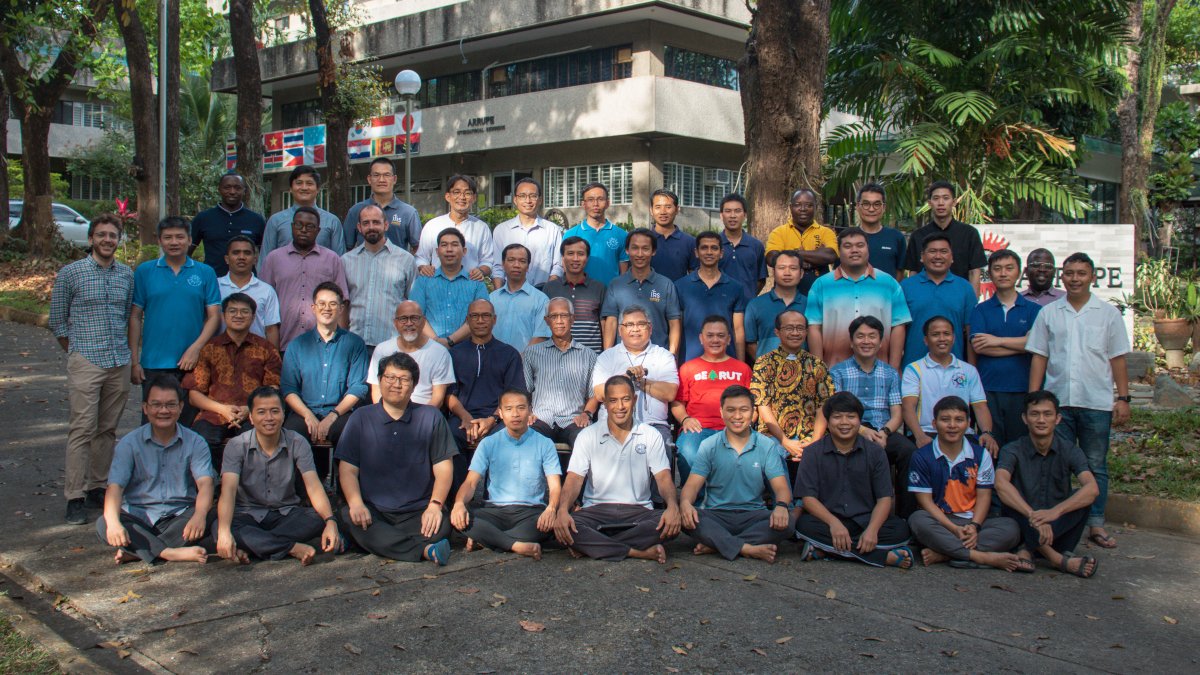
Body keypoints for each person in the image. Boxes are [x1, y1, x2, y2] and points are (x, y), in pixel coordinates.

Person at [1026, 252, 1130, 549]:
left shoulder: (1107, 314)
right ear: (1063, 276)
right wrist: (1034, 399)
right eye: (1069, 273)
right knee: (1056, 464)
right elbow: (1039, 357)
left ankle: (1096, 524)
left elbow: (1118, 358)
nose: (1074, 278)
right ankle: (1058, 521)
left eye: (1081, 273)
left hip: (1095, 402)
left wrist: (1122, 398)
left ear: (1092, 276)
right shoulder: (1050, 313)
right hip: (1058, 404)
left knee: (1096, 464)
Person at [51, 214, 135, 524]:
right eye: (101, 234)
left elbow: (128, 315)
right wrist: (75, 352)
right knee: (82, 429)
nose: (107, 240)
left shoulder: (126, 275)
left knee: (107, 429)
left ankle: (99, 487)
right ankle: (75, 494)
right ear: (91, 239)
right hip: (86, 358)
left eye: (113, 235)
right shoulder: (71, 274)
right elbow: (57, 320)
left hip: (118, 361)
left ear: (118, 240)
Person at [336, 353, 457, 565]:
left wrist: (435, 506)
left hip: (417, 511)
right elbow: (347, 469)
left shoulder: (430, 416)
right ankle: (425, 551)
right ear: (380, 380)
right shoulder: (361, 417)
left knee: (442, 524)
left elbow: (444, 468)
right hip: (374, 511)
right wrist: (356, 503)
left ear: (414, 385)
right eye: (390, 377)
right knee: (349, 515)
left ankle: (381, 543)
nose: (396, 384)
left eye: (404, 379)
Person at [553, 375, 681, 562]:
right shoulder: (588, 435)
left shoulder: (651, 435)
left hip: (639, 510)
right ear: (604, 403)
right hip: (596, 510)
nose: (620, 406)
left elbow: (663, 478)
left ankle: (594, 546)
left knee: (669, 523)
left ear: (634, 400)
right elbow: (573, 480)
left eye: (625, 399)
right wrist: (563, 510)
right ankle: (636, 551)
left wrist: (672, 507)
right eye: (613, 400)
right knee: (570, 524)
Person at [215, 386, 340, 565]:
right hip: (248, 515)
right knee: (219, 527)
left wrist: (330, 521)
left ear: (283, 414)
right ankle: (291, 548)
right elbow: (228, 491)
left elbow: (313, 486)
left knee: (316, 519)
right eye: (261, 412)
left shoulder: (297, 442)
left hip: (286, 514)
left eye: (275, 411)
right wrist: (224, 532)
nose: (269, 418)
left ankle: (255, 546)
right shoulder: (236, 445)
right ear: (251, 417)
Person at [97, 375, 214, 564]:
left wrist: (199, 516)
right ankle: (169, 553)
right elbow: (115, 488)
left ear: (181, 407)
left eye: (170, 405)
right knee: (104, 523)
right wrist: (113, 524)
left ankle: (138, 551)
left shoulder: (195, 441)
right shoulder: (129, 444)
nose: (163, 411)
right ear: (145, 408)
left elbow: (206, 484)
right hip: (140, 518)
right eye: (156, 405)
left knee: (213, 515)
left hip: (180, 517)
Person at [793, 392, 914, 568]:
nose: (844, 423)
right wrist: (834, 524)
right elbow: (808, 499)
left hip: (866, 520)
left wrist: (872, 530)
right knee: (803, 525)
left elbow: (884, 498)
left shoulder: (875, 452)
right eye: (837, 417)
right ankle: (881, 557)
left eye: (851, 417)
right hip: (828, 521)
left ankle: (827, 551)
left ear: (859, 421)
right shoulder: (813, 452)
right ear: (827, 421)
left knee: (901, 530)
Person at [679, 385, 793, 562]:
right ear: (722, 412)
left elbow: (781, 488)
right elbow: (692, 486)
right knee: (685, 517)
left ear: (753, 412)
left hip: (753, 514)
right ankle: (748, 548)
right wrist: (685, 503)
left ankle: (718, 544)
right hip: (717, 514)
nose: (737, 416)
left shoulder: (765, 445)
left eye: (744, 410)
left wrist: (781, 506)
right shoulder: (709, 445)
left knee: (788, 522)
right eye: (731, 410)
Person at [907, 396, 1022, 571]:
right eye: (945, 420)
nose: (952, 425)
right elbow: (925, 502)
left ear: (968, 423)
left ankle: (945, 553)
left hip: (972, 521)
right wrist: (953, 528)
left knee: (1011, 528)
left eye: (959, 420)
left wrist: (975, 526)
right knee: (917, 520)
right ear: (934, 423)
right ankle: (981, 557)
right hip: (941, 521)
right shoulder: (922, 456)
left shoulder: (980, 454)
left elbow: (984, 495)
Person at [994, 391, 1100, 577]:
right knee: (1011, 503)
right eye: (1034, 414)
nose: (1041, 420)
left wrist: (1053, 513)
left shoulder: (1069, 449)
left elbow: (1092, 488)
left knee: (1083, 497)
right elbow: (1001, 483)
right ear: (1025, 419)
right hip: (1023, 521)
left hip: (1056, 526)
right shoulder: (1012, 449)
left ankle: (1027, 550)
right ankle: (1058, 559)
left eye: (1047, 414)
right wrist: (1033, 516)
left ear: (1057, 419)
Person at [450, 388, 562, 559]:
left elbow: (554, 486)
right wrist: (459, 504)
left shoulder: (544, 443)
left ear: (530, 411)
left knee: (547, 523)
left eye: (521, 408)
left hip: (530, 511)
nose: (515, 414)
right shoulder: (488, 443)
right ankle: (516, 545)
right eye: (509, 409)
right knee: (459, 518)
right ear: (500, 413)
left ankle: (487, 539)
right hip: (494, 510)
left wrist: (551, 508)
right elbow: (471, 483)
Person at [130, 216, 221, 420]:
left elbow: (214, 316)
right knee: (155, 422)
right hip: (154, 362)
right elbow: (135, 317)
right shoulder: (145, 272)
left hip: (192, 362)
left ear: (190, 240)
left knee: (189, 422)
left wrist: (196, 348)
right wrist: (135, 361)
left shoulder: (205, 272)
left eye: (179, 237)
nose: (174, 242)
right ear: (160, 241)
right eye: (168, 237)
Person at [280, 283, 368, 481]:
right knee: (292, 435)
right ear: (313, 308)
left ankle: (345, 496)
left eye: (332, 304)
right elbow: (289, 388)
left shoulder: (355, 344)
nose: (326, 309)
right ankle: (302, 495)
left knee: (349, 434)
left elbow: (358, 387)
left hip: (340, 412)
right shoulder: (297, 345)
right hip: (304, 411)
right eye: (321, 304)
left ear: (341, 308)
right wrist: (307, 414)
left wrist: (333, 416)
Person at [829, 316, 916, 516]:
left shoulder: (890, 373)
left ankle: (906, 518)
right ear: (851, 342)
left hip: (884, 430)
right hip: (851, 430)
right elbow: (836, 411)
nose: (866, 341)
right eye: (860, 336)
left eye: (872, 336)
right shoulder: (838, 372)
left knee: (909, 452)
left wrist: (885, 432)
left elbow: (897, 413)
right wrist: (862, 430)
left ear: (880, 341)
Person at [184, 293, 282, 469]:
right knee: (201, 441)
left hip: (254, 414)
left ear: (253, 317)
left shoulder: (266, 349)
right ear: (224, 315)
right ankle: (211, 487)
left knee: (253, 443)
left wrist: (250, 409)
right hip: (214, 413)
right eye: (233, 311)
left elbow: (273, 387)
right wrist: (223, 409)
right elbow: (194, 394)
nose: (238, 315)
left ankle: (245, 491)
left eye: (244, 312)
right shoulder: (209, 348)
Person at [805, 227, 910, 370]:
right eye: (847, 246)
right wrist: (819, 370)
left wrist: (894, 367)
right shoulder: (821, 285)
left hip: (880, 372)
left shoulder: (889, 283)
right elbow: (813, 327)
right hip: (833, 371)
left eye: (860, 245)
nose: (854, 250)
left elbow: (898, 325)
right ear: (839, 251)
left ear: (868, 249)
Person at [446, 300, 527, 481]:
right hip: (462, 416)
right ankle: (457, 500)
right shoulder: (455, 354)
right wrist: (466, 417)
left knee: (504, 436)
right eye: (475, 316)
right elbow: (449, 395)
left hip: (497, 418)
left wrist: (492, 419)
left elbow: (514, 396)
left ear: (494, 319)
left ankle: (494, 500)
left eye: (485, 316)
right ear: (468, 320)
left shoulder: (509, 354)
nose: (480, 320)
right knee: (449, 434)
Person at [969, 249, 1042, 446]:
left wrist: (997, 341)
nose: (1003, 273)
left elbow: (1037, 346)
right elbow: (979, 346)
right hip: (988, 389)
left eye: (1009, 268)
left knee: (1021, 448)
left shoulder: (1035, 310)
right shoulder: (980, 310)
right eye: (997, 269)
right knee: (991, 446)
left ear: (1019, 272)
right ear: (990, 273)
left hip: (1022, 388)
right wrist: (1022, 344)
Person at [671, 316, 752, 484]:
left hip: (734, 428)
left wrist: (743, 424)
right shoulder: (688, 368)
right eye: (710, 335)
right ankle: (696, 502)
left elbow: (753, 406)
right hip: (698, 429)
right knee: (688, 452)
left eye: (721, 335)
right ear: (701, 338)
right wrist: (685, 419)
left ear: (729, 339)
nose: (715, 340)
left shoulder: (742, 369)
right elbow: (677, 403)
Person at [901, 316, 999, 456]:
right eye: (935, 335)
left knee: (988, 449)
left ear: (953, 338)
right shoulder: (914, 369)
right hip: (928, 432)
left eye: (946, 334)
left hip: (962, 433)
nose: (942, 339)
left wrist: (987, 433)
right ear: (926, 340)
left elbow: (980, 406)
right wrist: (919, 436)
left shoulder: (968, 370)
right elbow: (908, 407)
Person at [749, 311, 834, 467]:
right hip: (774, 436)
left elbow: (825, 405)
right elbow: (762, 405)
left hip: (810, 435)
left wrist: (814, 442)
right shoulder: (764, 363)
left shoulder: (817, 365)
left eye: (800, 328)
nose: (795, 333)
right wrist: (785, 441)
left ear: (806, 332)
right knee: (772, 453)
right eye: (789, 328)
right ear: (777, 332)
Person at [260, 206, 349, 351]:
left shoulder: (332, 259)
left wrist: (340, 344)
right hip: (283, 342)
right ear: (292, 227)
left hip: (323, 345)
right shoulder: (273, 259)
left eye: (310, 226)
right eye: (299, 225)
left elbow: (342, 301)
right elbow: (264, 301)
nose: (303, 229)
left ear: (318, 231)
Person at [592, 305, 680, 452]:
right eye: (629, 325)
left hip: (654, 425)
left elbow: (670, 393)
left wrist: (640, 381)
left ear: (650, 329)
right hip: (611, 424)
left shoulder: (664, 356)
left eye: (641, 324)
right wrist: (627, 379)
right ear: (620, 330)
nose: (635, 329)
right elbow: (600, 394)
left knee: (662, 453)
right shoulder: (607, 357)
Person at [523, 298, 599, 452]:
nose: (559, 321)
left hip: (573, 420)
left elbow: (593, 395)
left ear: (573, 319)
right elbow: (525, 390)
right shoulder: (532, 353)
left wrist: (586, 414)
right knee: (526, 440)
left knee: (586, 441)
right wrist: (527, 412)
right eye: (554, 316)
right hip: (540, 419)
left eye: (564, 316)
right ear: (546, 321)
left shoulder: (589, 355)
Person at [342, 204, 416, 350]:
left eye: (376, 222)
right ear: (359, 227)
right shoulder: (346, 261)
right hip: (355, 344)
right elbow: (342, 306)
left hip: (393, 343)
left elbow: (413, 304)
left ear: (386, 225)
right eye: (366, 223)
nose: (371, 227)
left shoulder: (406, 260)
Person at [601, 227, 683, 356]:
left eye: (645, 248)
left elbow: (674, 324)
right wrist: (607, 356)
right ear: (627, 250)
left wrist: (671, 356)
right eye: (635, 248)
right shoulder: (616, 284)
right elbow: (611, 323)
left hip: (658, 359)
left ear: (653, 251)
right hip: (623, 359)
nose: (639, 254)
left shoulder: (666, 284)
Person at [899, 233, 976, 368]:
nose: (938, 256)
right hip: (913, 369)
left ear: (951, 257)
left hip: (954, 370)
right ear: (922, 257)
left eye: (944, 251)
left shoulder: (965, 288)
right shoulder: (905, 287)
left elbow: (971, 332)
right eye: (932, 251)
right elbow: (898, 331)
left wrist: (972, 368)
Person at [408, 228, 489, 347]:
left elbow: (480, 318)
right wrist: (436, 341)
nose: (449, 249)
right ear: (437, 251)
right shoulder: (424, 281)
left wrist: (450, 340)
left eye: (455, 245)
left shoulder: (476, 282)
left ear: (464, 251)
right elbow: (415, 315)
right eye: (444, 245)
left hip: (467, 349)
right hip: (428, 348)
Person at [902, 181, 986, 294]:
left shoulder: (969, 233)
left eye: (946, 198)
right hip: (926, 297)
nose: (941, 203)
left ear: (954, 202)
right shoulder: (918, 235)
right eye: (936, 198)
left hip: (959, 297)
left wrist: (972, 304)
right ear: (929, 203)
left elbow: (974, 272)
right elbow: (913, 272)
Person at [674, 231, 747, 362]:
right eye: (704, 248)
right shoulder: (680, 286)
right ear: (696, 253)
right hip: (690, 361)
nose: (709, 252)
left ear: (721, 253)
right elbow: (676, 329)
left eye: (714, 248)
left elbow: (738, 329)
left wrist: (741, 365)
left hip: (726, 362)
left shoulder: (735, 287)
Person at [367, 301, 454, 408]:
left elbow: (438, 399)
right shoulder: (382, 350)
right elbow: (376, 391)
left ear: (423, 322)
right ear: (395, 323)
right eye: (403, 319)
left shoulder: (440, 353)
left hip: (423, 414)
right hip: (388, 414)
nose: (409, 323)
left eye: (414, 318)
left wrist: (420, 419)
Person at [415, 174, 495, 281]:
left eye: (467, 193)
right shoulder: (432, 225)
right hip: (437, 285)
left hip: (469, 286)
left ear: (474, 198)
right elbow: (421, 258)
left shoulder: (481, 228)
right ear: (448, 196)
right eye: (456, 192)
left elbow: (488, 261)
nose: (462, 197)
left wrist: (480, 271)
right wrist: (424, 268)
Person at [491, 177, 563, 287]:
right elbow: (497, 267)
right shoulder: (502, 230)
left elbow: (558, 266)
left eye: (533, 196)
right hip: (510, 293)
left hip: (543, 293)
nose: (528, 201)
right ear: (515, 200)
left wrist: (548, 291)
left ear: (540, 200)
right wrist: (498, 294)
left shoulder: (552, 230)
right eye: (522, 196)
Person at [189, 173, 266, 276]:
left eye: (237, 188)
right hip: (212, 282)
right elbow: (186, 252)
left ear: (244, 190)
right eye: (227, 187)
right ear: (219, 189)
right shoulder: (203, 218)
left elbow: (265, 256)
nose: (232, 192)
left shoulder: (256, 220)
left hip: (247, 284)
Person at [541, 236, 607, 354]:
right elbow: (543, 326)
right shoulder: (550, 288)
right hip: (556, 359)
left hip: (592, 359)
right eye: (570, 253)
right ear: (563, 258)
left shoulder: (599, 288)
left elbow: (605, 325)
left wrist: (606, 354)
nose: (575, 258)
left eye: (581, 254)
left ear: (587, 258)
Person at [764, 189, 837, 295]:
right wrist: (815, 256)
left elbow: (830, 256)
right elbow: (771, 258)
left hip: (821, 296)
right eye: (797, 205)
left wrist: (794, 253)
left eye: (809, 205)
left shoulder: (826, 232)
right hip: (785, 297)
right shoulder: (778, 232)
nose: (803, 209)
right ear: (790, 207)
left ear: (816, 207)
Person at [261, 165, 346, 255]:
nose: (304, 188)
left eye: (309, 183)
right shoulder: (275, 221)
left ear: (318, 189)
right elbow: (265, 261)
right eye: (299, 183)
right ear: (290, 188)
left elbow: (339, 260)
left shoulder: (332, 221)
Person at [341, 157, 422, 252]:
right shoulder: (355, 211)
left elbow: (418, 249)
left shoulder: (408, 213)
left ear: (394, 179)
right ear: (369, 179)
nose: (381, 180)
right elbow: (346, 247)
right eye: (376, 175)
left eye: (387, 175)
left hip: (397, 266)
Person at [217, 235, 281, 347]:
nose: (241, 257)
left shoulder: (266, 291)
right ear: (227, 259)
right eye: (236, 253)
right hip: (219, 354)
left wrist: (272, 360)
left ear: (255, 259)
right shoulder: (215, 287)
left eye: (247, 253)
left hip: (257, 356)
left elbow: (271, 329)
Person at [561, 182, 628, 284]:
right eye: (590, 200)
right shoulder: (570, 234)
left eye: (600, 199)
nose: (595, 204)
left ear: (607, 203)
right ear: (583, 204)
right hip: (581, 295)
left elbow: (624, 273)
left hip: (611, 295)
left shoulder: (621, 235)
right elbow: (566, 268)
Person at [744, 250, 806, 360]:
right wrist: (766, 368)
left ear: (801, 273)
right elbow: (750, 343)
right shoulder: (755, 305)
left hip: (804, 373)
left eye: (793, 268)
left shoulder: (810, 304)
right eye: (782, 268)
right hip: (767, 374)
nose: (787, 273)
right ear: (773, 272)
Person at [490, 244, 552, 350]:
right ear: (503, 264)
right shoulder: (492, 299)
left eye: (522, 261)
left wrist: (519, 361)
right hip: (492, 362)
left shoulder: (541, 300)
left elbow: (540, 337)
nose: (516, 265)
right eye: (511, 260)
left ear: (528, 267)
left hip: (526, 363)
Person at [717, 193, 767, 304]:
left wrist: (747, 296)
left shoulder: (756, 246)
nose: (732, 215)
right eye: (728, 211)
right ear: (721, 215)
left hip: (747, 308)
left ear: (745, 215)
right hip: (718, 306)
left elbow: (761, 279)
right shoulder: (713, 245)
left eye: (737, 211)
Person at [853, 183, 906, 278]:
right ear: (857, 206)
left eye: (877, 204)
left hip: (888, 292)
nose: (871, 209)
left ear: (884, 207)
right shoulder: (848, 238)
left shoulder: (896, 237)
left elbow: (900, 272)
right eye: (866, 204)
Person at [648, 189, 697, 281]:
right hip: (647, 294)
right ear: (651, 210)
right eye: (658, 207)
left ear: (677, 209)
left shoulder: (690, 242)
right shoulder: (643, 240)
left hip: (678, 294)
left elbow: (694, 276)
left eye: (668, 207)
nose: (663, 212)